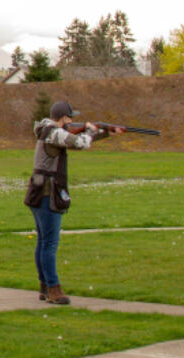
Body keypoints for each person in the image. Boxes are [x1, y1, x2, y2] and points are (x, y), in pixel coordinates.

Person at [23, 101, 122, 305]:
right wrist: (91, 131)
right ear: (64, 119)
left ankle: (45, 287)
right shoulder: (54, 132)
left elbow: (73, 141)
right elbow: (79, 143)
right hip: (47, 194)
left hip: (39, 192)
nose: (73, 121)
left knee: (43, 242)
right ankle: (53, 289)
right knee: (49, 243)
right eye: (71, 118)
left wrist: (105, 133)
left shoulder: (48, 131)